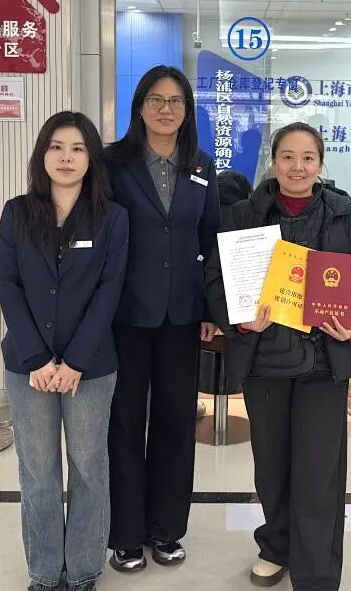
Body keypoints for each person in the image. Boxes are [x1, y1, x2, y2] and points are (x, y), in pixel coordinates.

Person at [205, 122, 351, 590]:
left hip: (324, 362)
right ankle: (276, 546)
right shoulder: (243, 215)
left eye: (307, 158)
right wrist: (240, 319)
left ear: (320, 164)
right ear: (274, 162)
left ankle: (317, 570)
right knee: (272, 468)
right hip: (264, 361)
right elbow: (216, 280)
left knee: (319, 472)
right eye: (287, 157)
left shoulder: (343, 216)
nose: (297, 167)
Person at [0, 111, 129, 591]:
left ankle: (85, 568)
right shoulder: (17, 213)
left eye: (77, 148)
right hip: (27, 366)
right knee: (38, 472)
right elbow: (8, 284)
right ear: (42, 155)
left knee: (89, 468)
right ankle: (45, 571)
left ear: (91, 158)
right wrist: (37, 358)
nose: (66, 157)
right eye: (56, 147)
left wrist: (74, 361)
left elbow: (109, 292)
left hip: (90, 367)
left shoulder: (113, 217)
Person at [105, 65, 220, 573]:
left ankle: (166, 528)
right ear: (140, 107)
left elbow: (210, 239)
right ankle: (127, 534)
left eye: (176, 101)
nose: (166, 109)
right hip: (126, 314)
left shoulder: (202, 166)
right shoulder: (113, 163)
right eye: (156, 99)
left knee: (176, 423)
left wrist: (212, 309)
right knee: (125, 422)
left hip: (182, 315)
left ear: (187, 111)